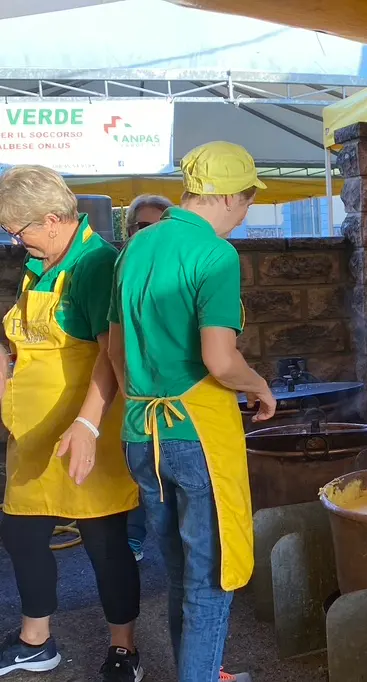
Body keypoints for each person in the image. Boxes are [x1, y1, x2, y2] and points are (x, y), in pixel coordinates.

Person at [107, 141, 276, 682]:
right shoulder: (216, 255)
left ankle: (203, 671)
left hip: (140, 434)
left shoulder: (137, 245)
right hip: (196, 435)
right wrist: (259, 386)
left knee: (180, 572)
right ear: (227, 194)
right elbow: (219, 360)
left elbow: (114, 351)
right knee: (213, 578)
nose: (246, 214)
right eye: (247, 201)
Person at [0, 165, 143, 681]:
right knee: (19, 532)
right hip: (36, 435)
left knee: (105, 541)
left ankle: (123, 648)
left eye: (21, 231)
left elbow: (111, 355)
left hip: (88, 429)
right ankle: (36, 641)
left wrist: (86, 425)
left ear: (55, 219)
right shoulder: (42, 263)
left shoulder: (95, 264)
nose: (18, 243)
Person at [121, 194, 172, 561]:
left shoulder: (179, 270)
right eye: (144, 225)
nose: (153, 231)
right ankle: (132, 537)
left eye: (160, 224)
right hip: (133, 399)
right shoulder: (122, 269)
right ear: (130, 231)